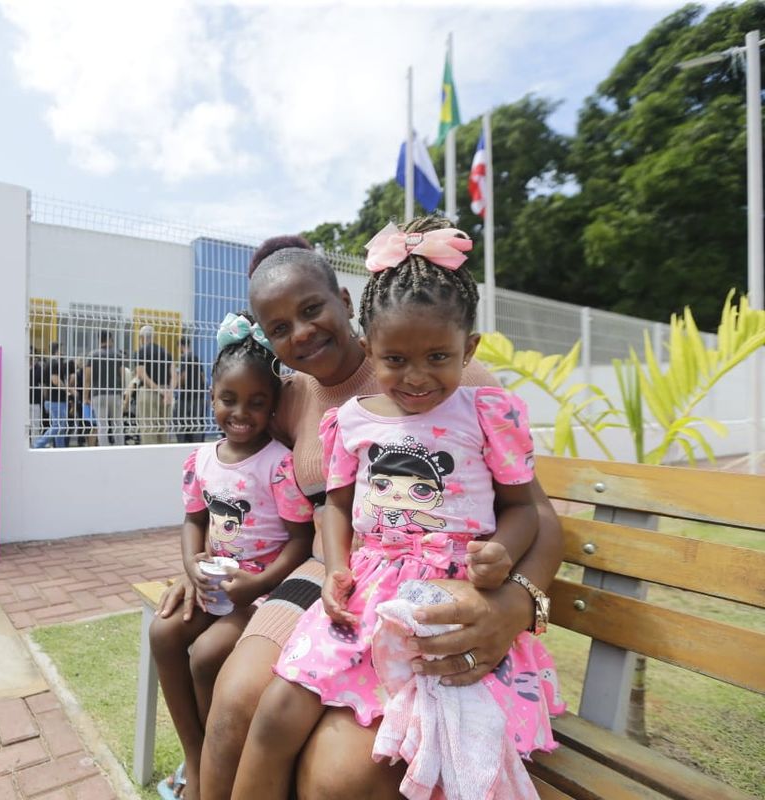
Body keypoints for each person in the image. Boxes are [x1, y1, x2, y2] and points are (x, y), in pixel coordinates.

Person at [155, 234, 563, 800]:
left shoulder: (449, 379)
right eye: (279, 328)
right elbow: (243, 479)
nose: (300, 333)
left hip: (423, 586)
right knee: (236, 702)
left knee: (334, 769)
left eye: (312, 310)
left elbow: (535, 512)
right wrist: (202, 560)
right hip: (331, 576)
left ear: (345, 303)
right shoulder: (292, 397)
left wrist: (515, 604)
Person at [150, 312, 315, 800]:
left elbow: (301, 540)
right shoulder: (200, 460)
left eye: (256, 402)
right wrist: (192, 564)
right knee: (162, 632)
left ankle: (217, 767)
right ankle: (196, 758)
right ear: (211, 397)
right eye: (229, 399)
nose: (241, 412)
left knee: (206, 655)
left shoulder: (278, 466)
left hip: (261, 595)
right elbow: (193, 520)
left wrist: (258, 585)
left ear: (272, 407)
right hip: (215, 585)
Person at [83, 330, 126, 446]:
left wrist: (85, 397)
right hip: (115, 394)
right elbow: (122, 375)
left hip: (98, 394)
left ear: (99, 340)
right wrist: (122, 393)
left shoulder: (92, 355)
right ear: (110, 339)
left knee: (102, 425)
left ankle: (104, 449)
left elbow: (87, 379)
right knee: (118, 424)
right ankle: (120, 448)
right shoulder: (117, 355)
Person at [135, 324, 173, 445]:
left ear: (141, 338)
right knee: (163, 429)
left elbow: (141, 374)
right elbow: (174, 376)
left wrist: (158, 390)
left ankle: (150, 460)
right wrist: (169, 392)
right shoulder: (166, 352)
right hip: (166, 394)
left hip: (148, 393)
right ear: (153, 337)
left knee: (149, 429)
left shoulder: (141, 351)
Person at [34, 342, 70, 448]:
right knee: (58, 426)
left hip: (52, 399)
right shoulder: (55, 363)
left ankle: (60, 449)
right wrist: (68, 389)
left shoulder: (48, 363)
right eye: (61, 349)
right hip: (56, 400)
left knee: (60, 427)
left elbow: (46, 383)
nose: (62, 352)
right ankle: (38, 444)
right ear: (57, 350)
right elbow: (55, 380)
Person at [173, 336, 208, 443]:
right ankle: (197, 444)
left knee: (179, 419)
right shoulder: (196, 358)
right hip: (199, 395)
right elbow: (203, 376)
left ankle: (183, 443)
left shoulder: (184, 358)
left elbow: (183, 376)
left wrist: (176, 385)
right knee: (197, 422)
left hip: (187, 396)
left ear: (181, 346)